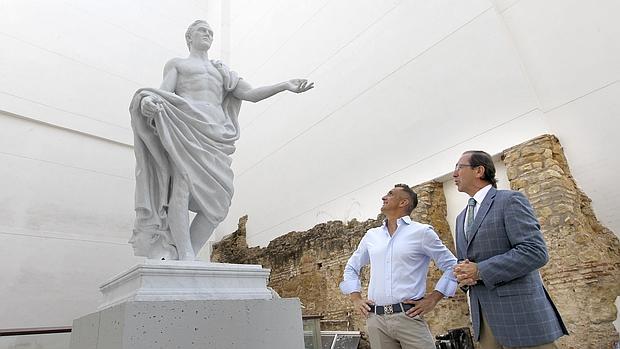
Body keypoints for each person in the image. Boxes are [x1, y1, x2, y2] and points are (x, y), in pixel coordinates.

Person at [129, 20, 313, 260]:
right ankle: (186, 255)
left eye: (210, 32)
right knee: (182, 185)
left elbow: (251, 94)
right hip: (186, 129)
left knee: (220, 203)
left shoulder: (222, 71)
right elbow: (163, 93)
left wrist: (284, 86)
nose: (207, 34)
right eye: (201, 31)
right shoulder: (178, 64)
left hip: (215, 135)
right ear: (189, 38)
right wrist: (147, 102)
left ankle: (189, 252)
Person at [452, 150, 567, 349]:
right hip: (484, 319)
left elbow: (534, 251)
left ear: (479, 170)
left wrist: (481, 270)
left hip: (521, 315)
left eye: (459, 168)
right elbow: (468, 262)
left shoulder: (510, 200)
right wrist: (463, 276)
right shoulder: (461, 217)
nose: (454, 174)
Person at [340, 184, 458, 349]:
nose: (383, 197)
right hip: (376, 320)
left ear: (403, 202)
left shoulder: (422, 233)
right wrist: (356, 299)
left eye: (390, 194)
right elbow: (351, 268)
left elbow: (452, 266)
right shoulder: (371, 236)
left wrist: (433, 298)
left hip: (408, 317)